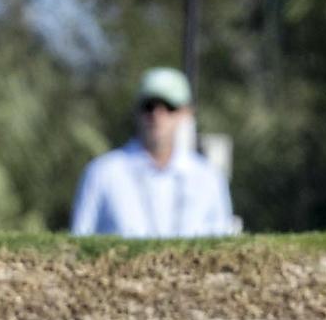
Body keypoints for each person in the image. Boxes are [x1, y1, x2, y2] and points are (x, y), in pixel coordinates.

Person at [70, 68, 239, 238]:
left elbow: (221, 242)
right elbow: (79, 240)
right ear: (136, 110)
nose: (157, 115)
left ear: (185, 113)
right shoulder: (102, 173)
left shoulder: (209, 177)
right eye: (148, 106)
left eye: (169, 106)